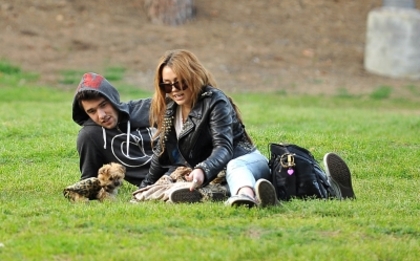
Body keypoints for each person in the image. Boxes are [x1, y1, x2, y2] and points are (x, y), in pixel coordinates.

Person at [139, 49, 278, 207]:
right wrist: (145, 186)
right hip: (215, 174)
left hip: (245, 161)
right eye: (167, 85)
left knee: (234, 166)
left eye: (180, 82)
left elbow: (224, 148)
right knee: (178, 179)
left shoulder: (215, 101)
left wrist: (203, 169)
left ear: (193, 76)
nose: (174, 90)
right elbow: (161, 151)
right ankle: (224, 193)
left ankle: (246, 197)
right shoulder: (171, 108)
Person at [72, 72, 154, 186]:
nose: (101, 115)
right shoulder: (91, 136)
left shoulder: (150, 108)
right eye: (92, 111)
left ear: (113, 99)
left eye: (103, 105)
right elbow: (90, 182)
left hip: (182, 169)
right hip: (157, 184)